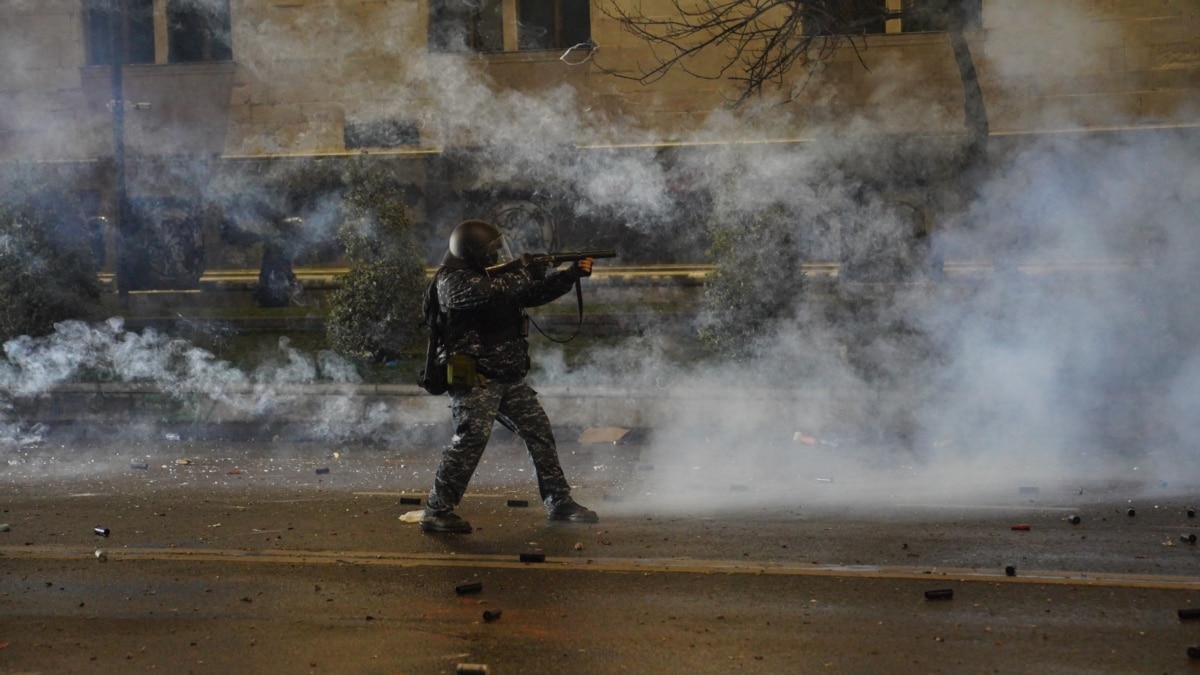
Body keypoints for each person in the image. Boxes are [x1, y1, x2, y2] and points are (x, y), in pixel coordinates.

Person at [420, 219, 599, 533]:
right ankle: (437, 511)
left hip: (508, 377)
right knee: (470, 441)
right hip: (476, 379)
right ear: (472, 252)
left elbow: (531, 293)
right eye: (490, 251)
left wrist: (569, 275)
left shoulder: (499, 277)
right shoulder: (451, 280)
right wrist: (527, 270)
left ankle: (559, 502)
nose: (496, 255)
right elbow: (488, 293)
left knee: (539, 432)